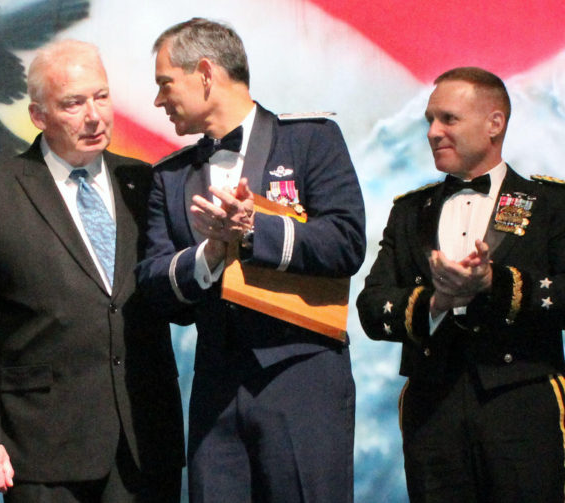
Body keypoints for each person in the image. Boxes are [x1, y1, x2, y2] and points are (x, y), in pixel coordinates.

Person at [136, 18, 366, 503]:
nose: (158, 101)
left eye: (164, 84)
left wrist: (254, 229)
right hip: (214, 387)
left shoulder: (310, 139)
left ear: (204, 72)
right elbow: (154, 283)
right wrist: (212, 255)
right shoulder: (170, 177)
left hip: (301, 374)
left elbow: (346, 242)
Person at [0, 40, 184, 502]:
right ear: (39, 116)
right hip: (42, 449)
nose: (94, 116)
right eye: (73, 103)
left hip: (144, 440)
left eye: (101, 96)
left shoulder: (146, 183)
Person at [357, 67, 565, 502]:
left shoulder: (551, 205)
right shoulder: (409, 211)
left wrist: (495, 282)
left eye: (448, 119)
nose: (433, 132)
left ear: (495, 124)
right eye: (429, 120)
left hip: (521, 402)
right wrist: (436, 301)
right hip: (431, 406)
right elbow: (372, 307)